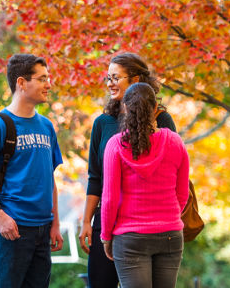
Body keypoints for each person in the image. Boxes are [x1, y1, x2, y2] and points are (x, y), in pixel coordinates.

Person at [0, 54, 64, 288]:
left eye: (48, 78)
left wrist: (55, 224)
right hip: (10, 229)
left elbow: (49, 179)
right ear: (21, 83)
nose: (49, 84)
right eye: (42, 79)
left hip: (42, 230)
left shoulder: (47, 126)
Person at [78, 52, 177, 288]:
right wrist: (86, 222)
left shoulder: (161, 121)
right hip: (107, 221)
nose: (110, 83)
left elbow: (173, 174)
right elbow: (95, 178)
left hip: (147, 225)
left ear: (136, 80)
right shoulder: (103, 123)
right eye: (108, 78)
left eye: (116, 77)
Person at [100, 83, 189, 288]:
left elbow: (110, 199)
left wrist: (106, 236)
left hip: (130, 238)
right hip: (170, 235)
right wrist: (168, 217)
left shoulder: (116, 145)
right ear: (155, 108)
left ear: (125, 108)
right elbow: (182, 194)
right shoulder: (175, 142)